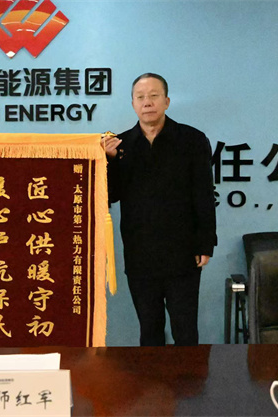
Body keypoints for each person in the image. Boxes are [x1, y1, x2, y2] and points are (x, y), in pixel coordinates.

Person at [103, 73, 217, 346]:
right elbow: (111, 196)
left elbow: (204, 193)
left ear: (166, 101)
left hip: (183, 252)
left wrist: (205, 243)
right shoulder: (120, 145)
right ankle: (151, 376)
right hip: (140, 253)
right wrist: (109, 162)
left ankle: (189, 376)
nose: (147, 102)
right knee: (149, 329)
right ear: (133, 104)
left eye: (154, 96)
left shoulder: (192, 140)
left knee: (185, 330)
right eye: (140, 97)